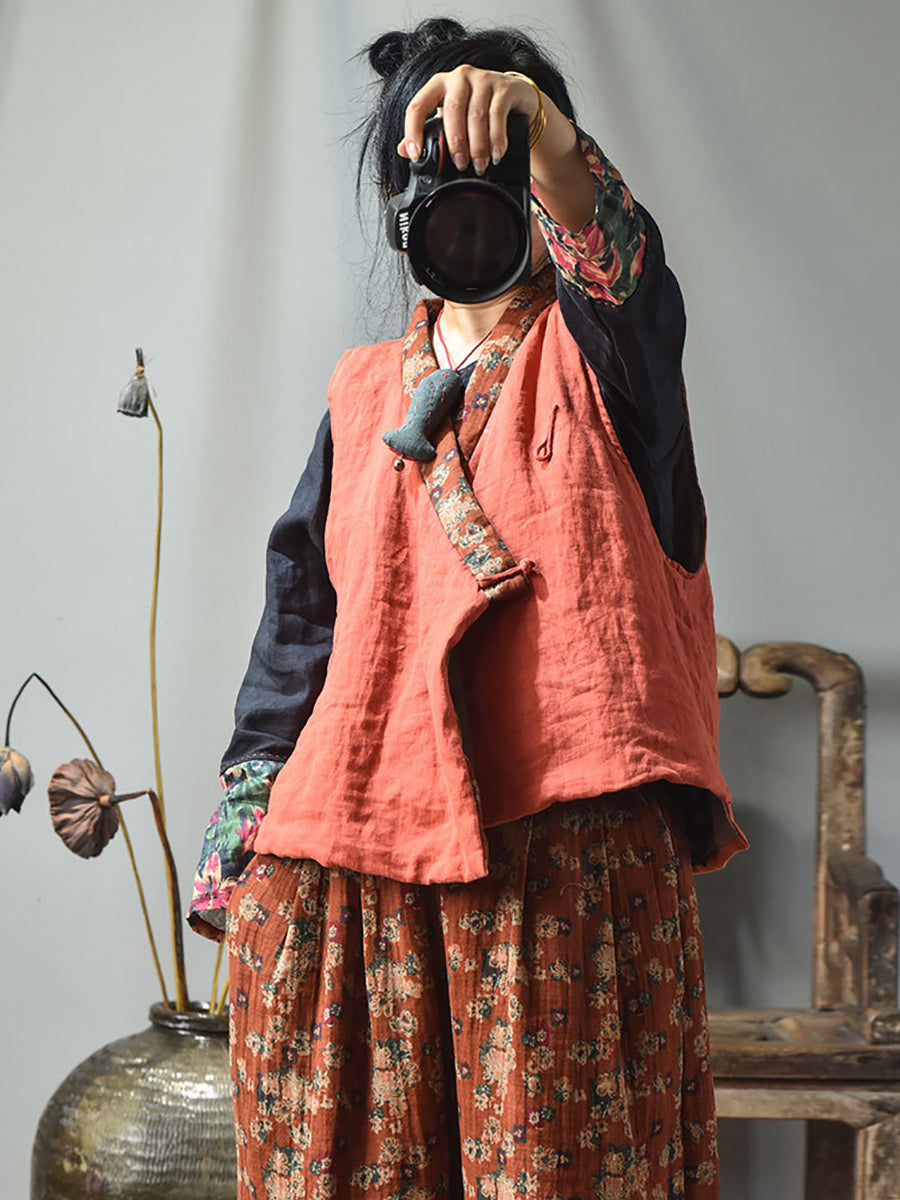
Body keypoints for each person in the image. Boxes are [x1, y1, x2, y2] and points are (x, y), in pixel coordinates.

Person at [189, 18, 747, 1199]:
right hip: (349, 858)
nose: (466, 195)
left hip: (564, 853)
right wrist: (236, 851)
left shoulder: (610, 357)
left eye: (498, 160)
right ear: (401, 195)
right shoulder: (360, 394)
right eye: (436, 168)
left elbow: (623, 273)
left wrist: (548, 139)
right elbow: (299, 628)